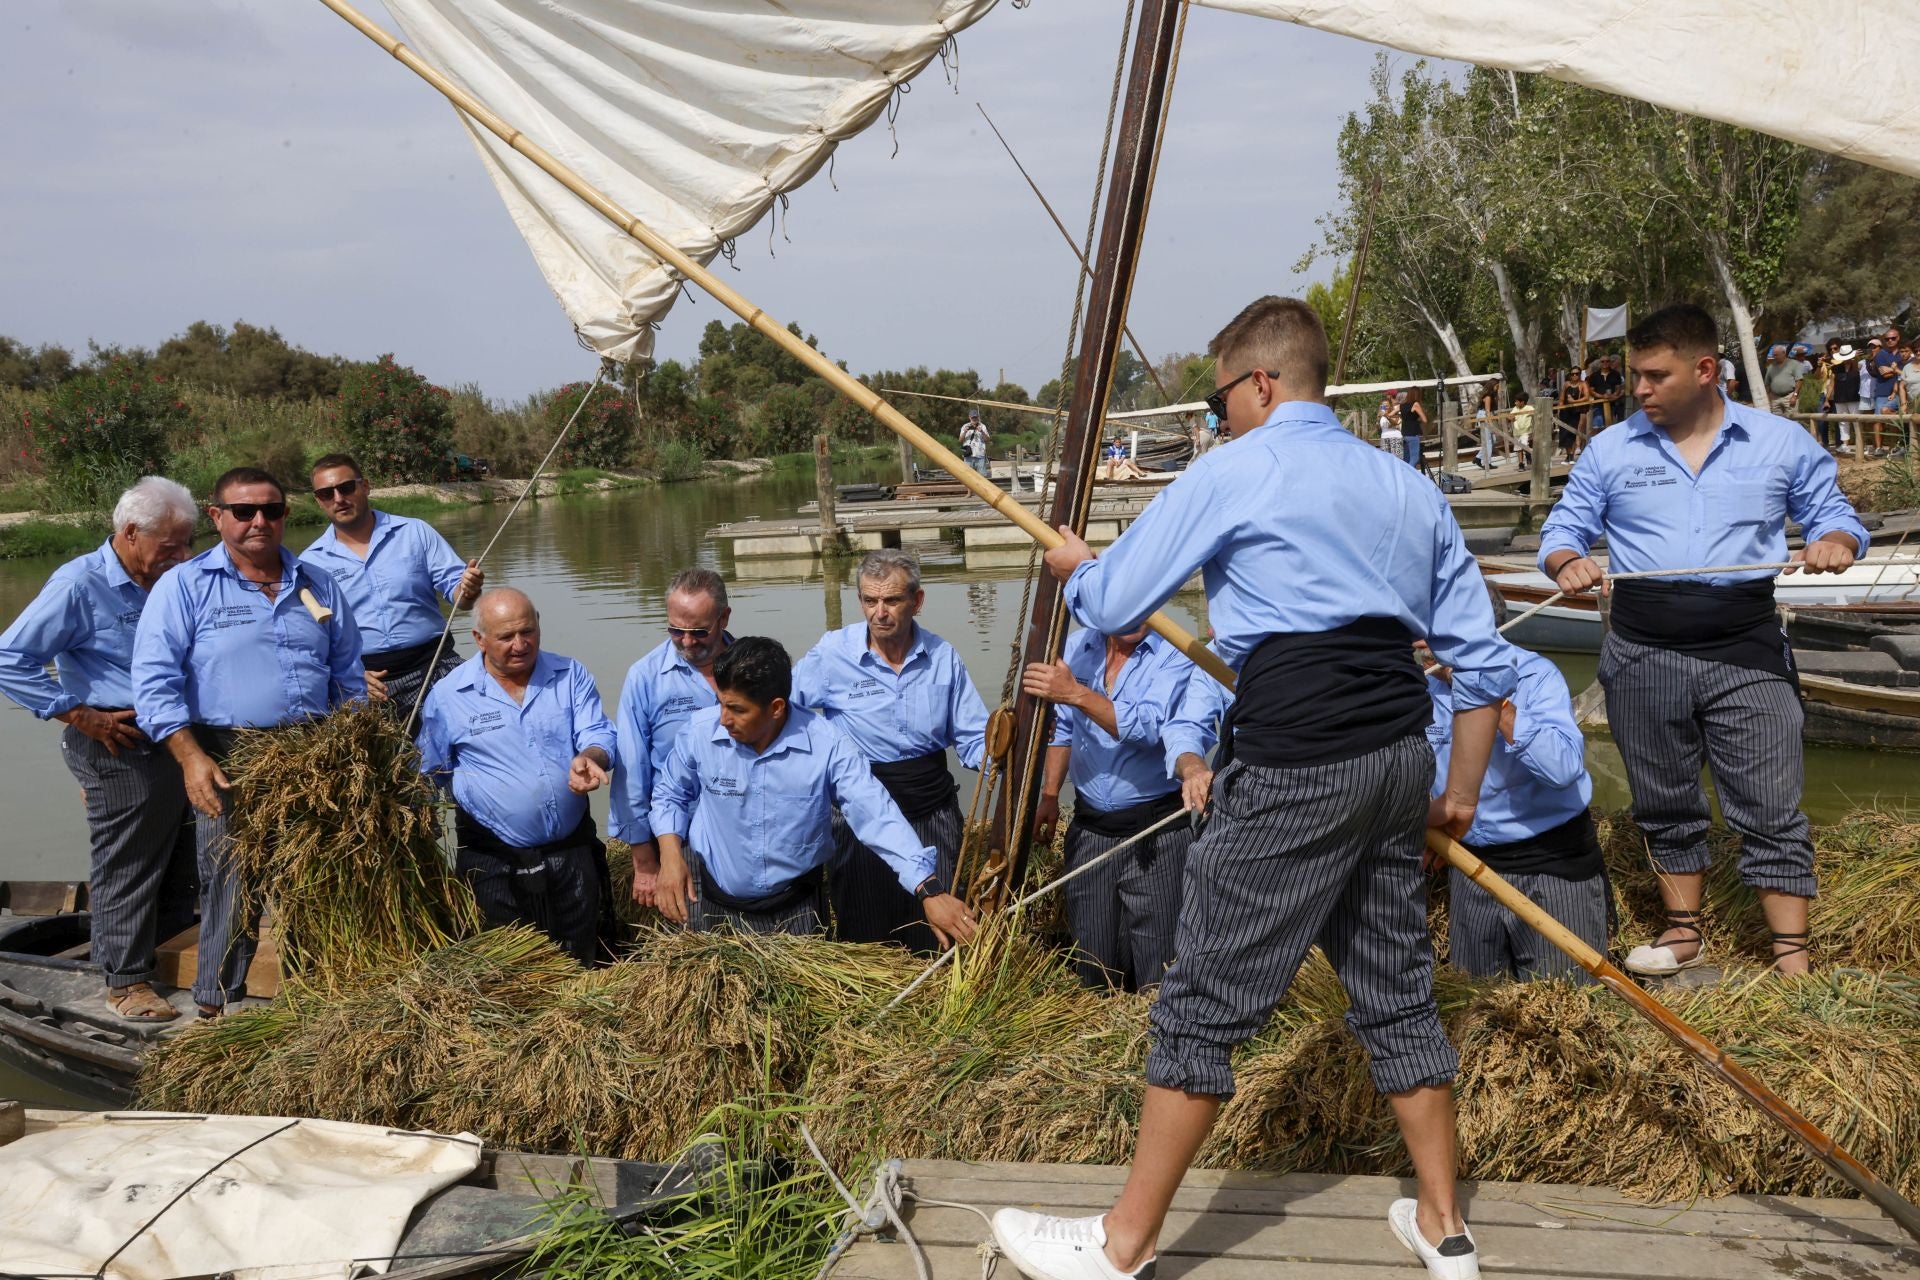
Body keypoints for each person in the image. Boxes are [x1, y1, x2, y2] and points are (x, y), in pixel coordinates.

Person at [992, 296, 1512, 1280]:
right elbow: (1481, 665)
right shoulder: (1408, 485)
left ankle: (1122, 1243)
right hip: (1399, 752)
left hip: (1297, 755)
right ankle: (1446, 1225)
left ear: (1263, 383)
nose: (1216, 414)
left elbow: (1112, 600)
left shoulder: (1236, 466)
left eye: (1220, 394)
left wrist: (1074, 566)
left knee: (1202, 996)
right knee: (1394, 986)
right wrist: (1461, 791)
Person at [1540, 304, 1869, 978]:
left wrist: (1836, 541)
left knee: (1771, 804)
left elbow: (1834, 517)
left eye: (1655, 375)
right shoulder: (1611, 448)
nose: (1639, 388)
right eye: (1636, 374)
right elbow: (1561, 531)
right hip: (1640, 650)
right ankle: (1683, 933)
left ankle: (1791, 960)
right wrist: (1565, 561)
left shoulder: (1780, 443)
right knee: (1664, 801)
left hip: (1746, 646)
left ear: (1706, 369)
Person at [131, 466, 365, 1017]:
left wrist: (348, 749)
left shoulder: (318, 581)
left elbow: (349, 673)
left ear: (286, 515)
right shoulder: (185, 585)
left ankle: (314, 1004)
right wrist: (191, 758)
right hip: (227, 755)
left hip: (313, 752)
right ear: (217, 518)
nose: (259, 521)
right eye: (243, 512)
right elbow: (154, 683)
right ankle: (218, 1008)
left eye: (272, 510)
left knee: (315, 880)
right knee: (231, 885)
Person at [0, 477, 200, 1022]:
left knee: (185, 861)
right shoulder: (80, 584)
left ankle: (173, 963)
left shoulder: (173, 576)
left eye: (188, 543)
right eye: (171, 546)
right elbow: (9, 659)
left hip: (179, 737)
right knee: (128, 865)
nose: (182, 556)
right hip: (119, 739)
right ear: (131, 533)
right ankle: (126, 982)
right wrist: (78, 714)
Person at [650, 636, 979, 945]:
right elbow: (669, 795)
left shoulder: (828, 746)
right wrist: (669, 857)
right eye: (721, 704)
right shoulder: (699, 734)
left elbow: (876, 814)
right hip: (713, 903)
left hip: (795, 912)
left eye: (737, 709)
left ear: (776, 708)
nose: (723, 719)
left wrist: (930, 891)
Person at [792, 549, 989, 951]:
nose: (879, 612)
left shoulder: (942, 658)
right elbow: (781, 711)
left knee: (942, 929)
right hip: (858, 816)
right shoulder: (833, 655)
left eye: (892, 600)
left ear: (917, 601)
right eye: (869, 600)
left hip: (931, 810)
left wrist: (1004, 752)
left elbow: (973, 740)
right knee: (865, 932)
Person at [417, 588, 616, 964]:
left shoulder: (570, 674)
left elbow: (600, 734)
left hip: (571, 851)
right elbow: (428, 773)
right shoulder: (448, 696)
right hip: (493, 859)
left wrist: (591, 757)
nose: (520, 644)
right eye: (506, 637)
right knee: (511, 968)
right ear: (479, 639)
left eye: (528, 631)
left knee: (582, 959)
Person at [1425, 584, 1607, 984]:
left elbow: (1563, 769)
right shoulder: (1421, 685)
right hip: (1470, 865)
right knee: (1476, 1005)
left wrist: (1489, 698)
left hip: (1551, 865)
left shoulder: (1534, 674)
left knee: (1566, 1004)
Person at [1023, 623, 1196, 992]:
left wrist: (1075, 693)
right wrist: (1051, 795)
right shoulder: (1078, 646)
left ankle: (1159, 1037)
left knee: (1160, 961)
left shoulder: (1177, 651)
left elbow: (1150, 727)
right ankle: (1101, 1032)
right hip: (1090, 827)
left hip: (1157, 831)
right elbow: (1065, 730)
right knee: (1094, 957)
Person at [298, 453, 482, 719]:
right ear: (318, 500)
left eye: (346, 487)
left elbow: (460, 596)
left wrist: (469, 589)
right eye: (327, 493)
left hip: (435, 665)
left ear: (366, 486)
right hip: (368, 683)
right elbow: (311, 639)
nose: (338, 498)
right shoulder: (309, 563)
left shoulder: (415, 532)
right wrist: (351, 678)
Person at [611, 568, 732, 910]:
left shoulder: (752, 667)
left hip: (741, 827)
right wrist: (645, 862)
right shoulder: (645, 677)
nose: (687, 642)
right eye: (676, 631)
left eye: (698, 631)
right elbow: (631, 770)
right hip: (677, 836)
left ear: (724, 618)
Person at [1866, 328, 1906, 457]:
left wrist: (1892, 370)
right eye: (1887, 339)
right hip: (1883, 391)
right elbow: (1884, 373)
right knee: (1878, 420)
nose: (1890, 341)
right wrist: (1898, 370)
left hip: (1903, 392)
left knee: (1895, 418)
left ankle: (1894, 447)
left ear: (1898, 338)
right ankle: (1878, 448)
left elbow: (1908, 370)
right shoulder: (1881, 354)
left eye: (1893, 338)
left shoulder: (1904, 352)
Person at [1829, 343, 1863, 454]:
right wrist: (1827, 399)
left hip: (1854, 398)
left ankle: (1860, 443)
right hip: (1840, 398)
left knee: (1856, 421)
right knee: (1843, 422)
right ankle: (1845, 444)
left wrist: (1856, 359)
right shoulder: (1836, 368)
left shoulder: (1857, 366)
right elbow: (1832, 383)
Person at [1588, 356, 1626, 434]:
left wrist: (1613, 395)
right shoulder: (1594, 375)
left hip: (1613, 403)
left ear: (1610, 362)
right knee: (1597, 427)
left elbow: (1618, 387)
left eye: (1607, 361)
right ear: (1600, 363)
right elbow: (1591, 391)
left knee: (1610, 427)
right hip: (1598, 404)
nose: (1605, 363)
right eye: (1603, 361)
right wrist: (1602, 396)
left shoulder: (1616, 374)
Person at [1397, 388, 1428, 472]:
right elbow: (1425, 420)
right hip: (1413, 434)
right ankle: (1410, 475)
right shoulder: (1416, 404)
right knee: (1414, 459)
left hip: (1404, 434)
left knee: (1406, 459)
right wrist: (1417, 420)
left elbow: (1391, 414)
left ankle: (1404, 475)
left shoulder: (1401, 405)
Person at [960, 409, 991, 477]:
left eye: (975, 417)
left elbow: (987, 439)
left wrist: (982, 432)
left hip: (980, 456)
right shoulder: (965, 426)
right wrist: (965, 432)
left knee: (982, 477)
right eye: (972, 417)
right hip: (968, 456)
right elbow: (960, 440)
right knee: (968, 477)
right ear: (969, 417)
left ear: (978, 417)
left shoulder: (982, 426)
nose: (974, 419)